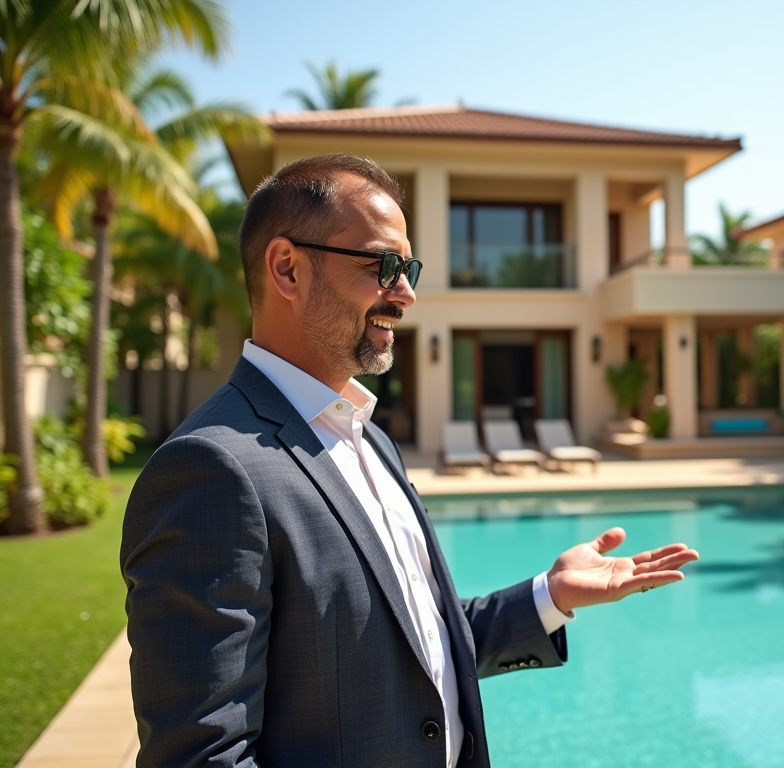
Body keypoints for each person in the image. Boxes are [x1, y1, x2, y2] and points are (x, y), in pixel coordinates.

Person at [120, 154, 699, 768]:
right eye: (384, 265)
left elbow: (416, 643)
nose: (407, 292)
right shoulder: (211, 471)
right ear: (287, 268)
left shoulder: (370, 441)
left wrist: (549, 596)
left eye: (409, 267)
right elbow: (203, 756)